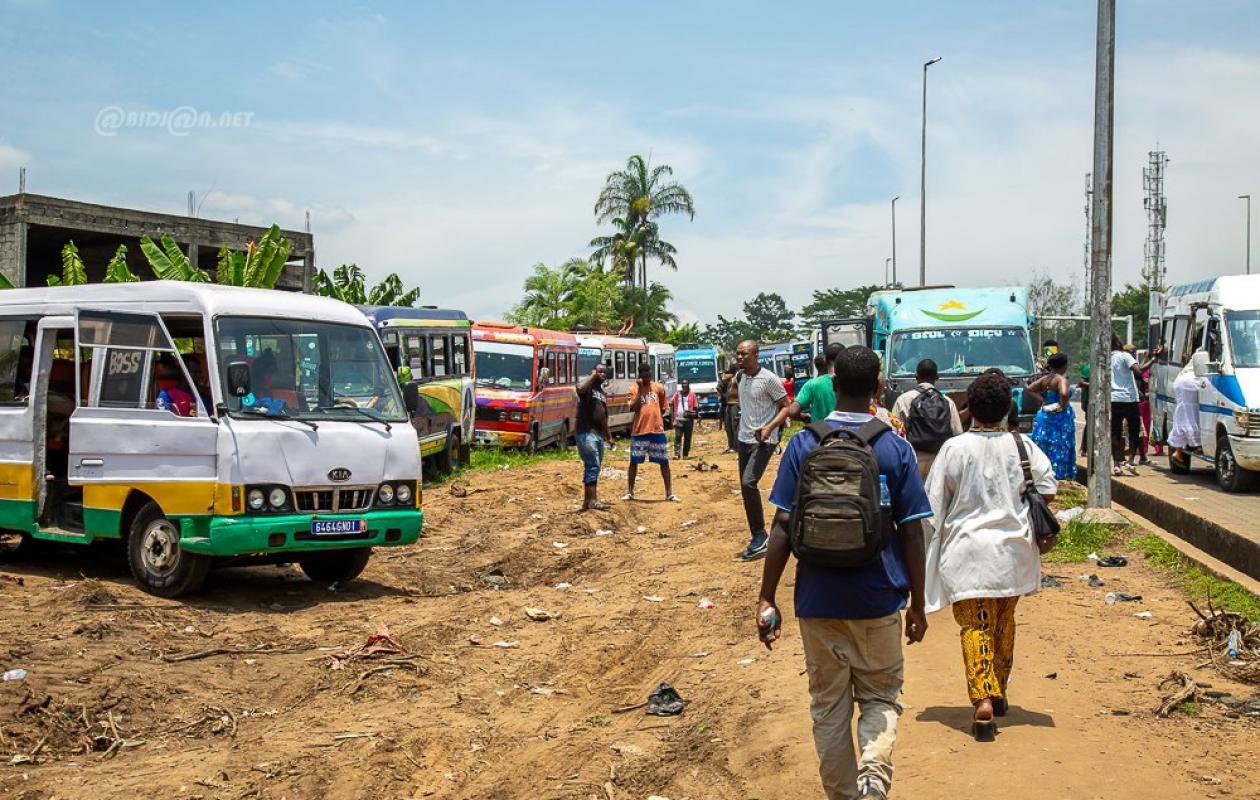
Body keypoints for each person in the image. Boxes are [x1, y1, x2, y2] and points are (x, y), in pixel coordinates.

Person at [756, 345, 931, 800]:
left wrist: (767, 597)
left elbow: (781, 525)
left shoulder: (803, 443)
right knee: (880, 697)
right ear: (878, 387)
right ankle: (874, 774)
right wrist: (919, 603)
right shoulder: (895, 447)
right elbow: (913, 533)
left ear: (833, 386)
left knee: (829, 707)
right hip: (878, 602)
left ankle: (844, 795)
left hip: (817, 604)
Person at [922, 370, 1057, 742]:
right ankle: (997, 690)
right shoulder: (1023, 446)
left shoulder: (954, 448)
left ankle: (982, 699)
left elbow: (932, 509)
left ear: (971, 407)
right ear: (1006, 408)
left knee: (975, 625)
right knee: (1003, 621)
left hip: (966, 555)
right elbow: (1048, 489)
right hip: (1013, 554)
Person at [728, 340, 788, 561]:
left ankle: (761, 535)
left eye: (744, 354)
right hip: (744, 440)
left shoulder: (769, 379)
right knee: (745, 487)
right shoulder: (740, 377)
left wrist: (770, 427)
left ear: (756, 355)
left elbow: (786, 406)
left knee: (748, 482)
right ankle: (757, 535)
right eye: (738, 354)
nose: (740, 357)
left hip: (764, 440)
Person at [890, 358, 963, 479]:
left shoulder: (903, 399)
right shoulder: (947, 402)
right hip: (940, 461)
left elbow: (895, 433)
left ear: (916, 376)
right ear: (937, 377)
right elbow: (957, 434)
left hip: (913, 460)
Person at [759, 343, 846, 438]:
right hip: (849, 436)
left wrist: (803, 417)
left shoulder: (812, 384)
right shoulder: (853, 381)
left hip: (820, 437)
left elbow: (792, 411)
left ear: (825, 360)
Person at [626, 362, 677, 502]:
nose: (647, 377)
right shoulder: (633, 389)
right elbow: (634, 408)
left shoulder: (658, 388)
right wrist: (640, 388)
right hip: (639, 431)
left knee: (664, 462)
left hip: (656, 431)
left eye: (649, 374)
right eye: (644, 375)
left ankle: (669, 493)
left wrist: (656, 419)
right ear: (640, 376)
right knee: (634, 461)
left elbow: (662, 407)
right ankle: (630, 492)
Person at [1110, 337, 1159, 476]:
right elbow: (1138, 371)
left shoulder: (1106, 358)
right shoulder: (1124, 356)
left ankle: (1116, 464)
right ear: (1119, 344)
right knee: (1134, 431)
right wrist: (1154, 359)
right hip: (1129, 399)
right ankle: (1130, 462)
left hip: (1114, 399)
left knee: (1116, 433)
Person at [1027, 352, 1076, 480]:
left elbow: (1030, 389)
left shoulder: (1046, 379)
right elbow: (1064, 393)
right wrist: (1062, 405)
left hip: (1045, 414)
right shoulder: (1061, 379)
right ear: (1064, 366)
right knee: (1060, 444)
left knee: (1045, 443)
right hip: (1059, 417)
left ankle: (1043, 473)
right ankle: (1059, 474)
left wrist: (1043, 401)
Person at [576, 363, 614, 511]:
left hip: (598, 434)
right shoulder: (587, 388)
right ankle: (592, 500)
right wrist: (593, 375)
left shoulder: (601, 393)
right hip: (586, 432)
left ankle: (588, 501)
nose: (602, 374)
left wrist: (609, 436)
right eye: (600, 371)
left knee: (593, 467)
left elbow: (603, 417)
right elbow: (579, 389)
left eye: (605, 372)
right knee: (593, 465)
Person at [1169, 359, 1207, 469]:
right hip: (1190, 384)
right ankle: (1195, 446)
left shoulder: (1196, 357)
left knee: (1184, 418)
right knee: (1191, 416)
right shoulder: (1206, 356)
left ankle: (1179, 452)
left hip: (1181, 382)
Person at [670, 379, 699, 459]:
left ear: (688, 385)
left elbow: (695, 406)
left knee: (687, 438)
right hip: (679, 419)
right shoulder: (677, 394)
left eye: (686, 383)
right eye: (683, 383)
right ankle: (677, 454)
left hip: (689, 420)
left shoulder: (692, 395)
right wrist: (673, 419)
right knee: (677, 437)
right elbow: (671, 404)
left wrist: (696, 416)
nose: (684, 385)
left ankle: (685, 454)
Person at [718, 365, 741, 453]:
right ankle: (731, 445)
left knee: (734, 425)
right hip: (728, 404)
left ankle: (736, 447)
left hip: (736, 403)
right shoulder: (731, 377)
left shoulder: (739, 376)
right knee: (728, 426)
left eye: (730, 368)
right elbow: (722, 380)